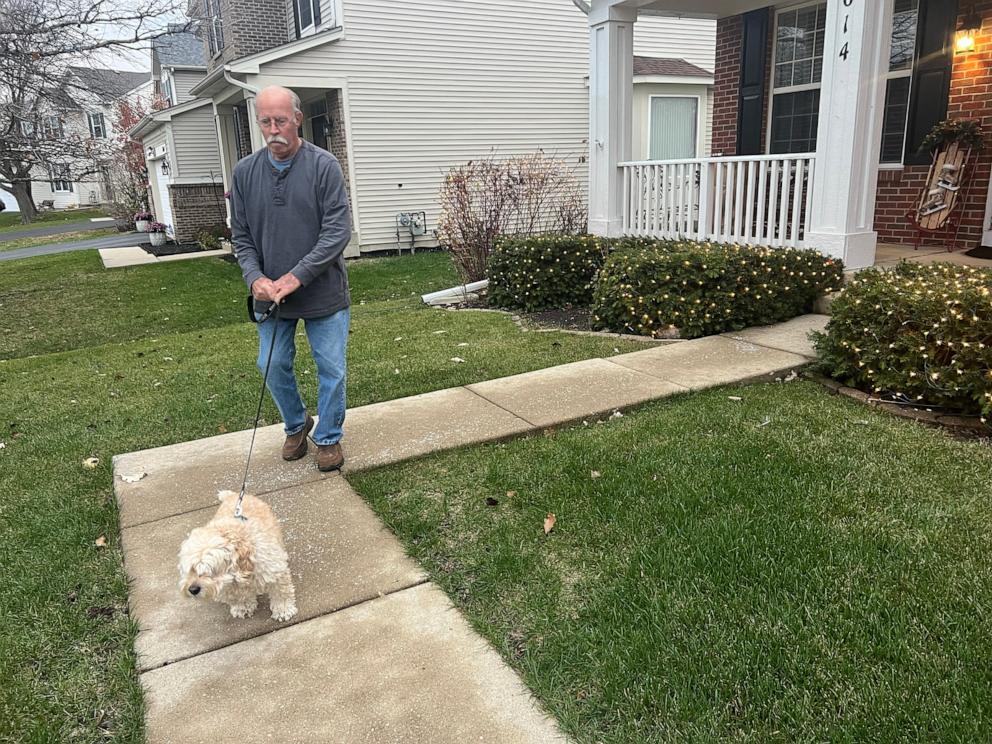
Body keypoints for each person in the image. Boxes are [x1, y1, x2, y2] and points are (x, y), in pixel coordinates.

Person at [231, 85, 352, 472]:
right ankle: (297, 425)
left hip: (323, 291)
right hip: (271, 297)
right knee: (271, 362)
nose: (273, 129)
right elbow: (242, 237)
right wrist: (255, 278)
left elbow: (337, 232)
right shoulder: (245, 173)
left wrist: (296, 277)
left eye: (280, 120)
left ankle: (329, 437)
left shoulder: (324, 166)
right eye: (265, 121)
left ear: (297, 119)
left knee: (331, 367)